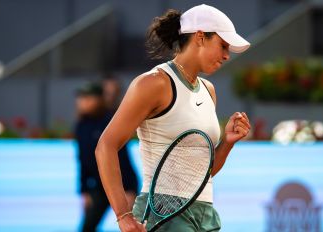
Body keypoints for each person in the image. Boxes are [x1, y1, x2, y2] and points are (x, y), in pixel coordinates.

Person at [95, 4, 251, 232]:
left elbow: (200, 174)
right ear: (200, 37)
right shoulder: (153, 83)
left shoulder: (209, 90)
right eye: (223, 45)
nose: (227, 55)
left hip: (205, 213)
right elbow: (105, 146)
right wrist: (123, 215)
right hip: (162, 214)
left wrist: (227, 143)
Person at [74, 82, 139, 232]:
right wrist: (84, 190)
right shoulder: (81, 125)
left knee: (133, 227)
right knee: (87, 227)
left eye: (87, 98)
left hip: (121, 185)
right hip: (97, 186)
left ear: (99, 100)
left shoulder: (110, 120)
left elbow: (123, 158)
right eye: (81, 98)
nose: (82, 102)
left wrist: (130, 189)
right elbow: (82, 159)